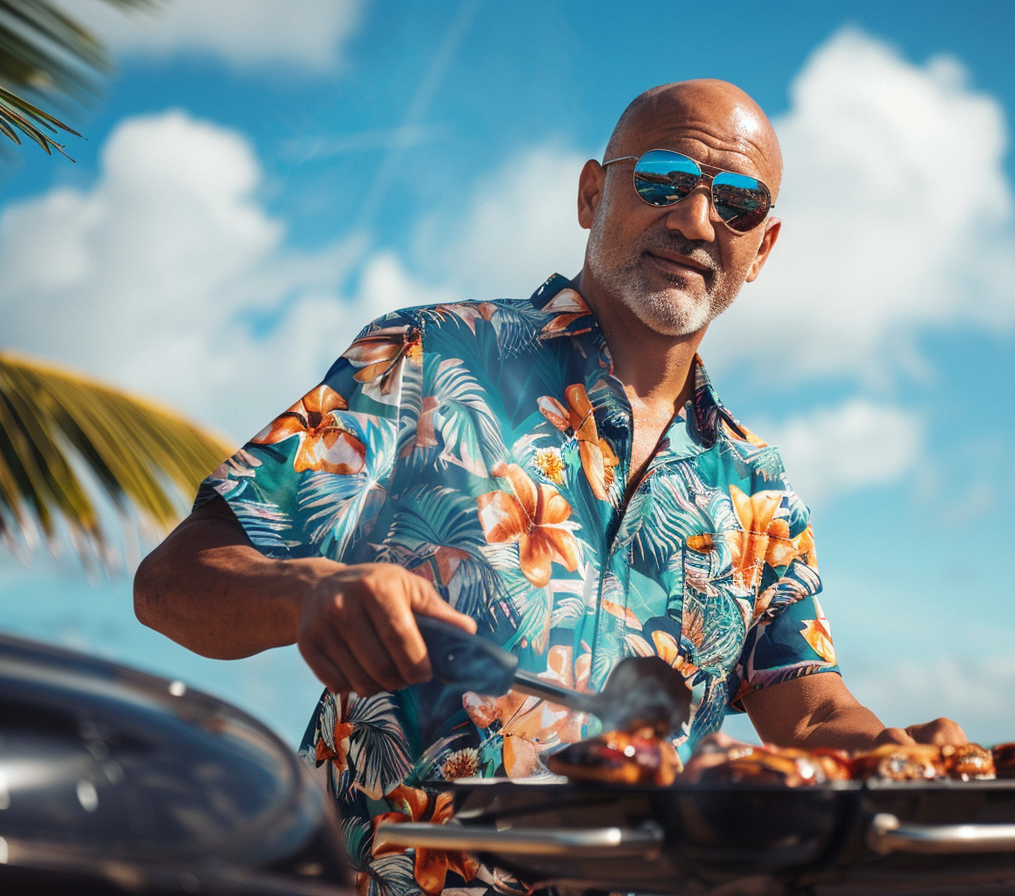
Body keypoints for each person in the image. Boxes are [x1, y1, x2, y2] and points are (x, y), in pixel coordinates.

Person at [135, 79, 965, 894]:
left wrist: (899, 754)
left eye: (737, 203)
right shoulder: (428, 359)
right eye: (666, 179)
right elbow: (171, 582)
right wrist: (308, 591)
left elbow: (811, 712)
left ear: (763, 248)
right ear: (592, 193)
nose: (695, 219)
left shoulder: (757, 487)